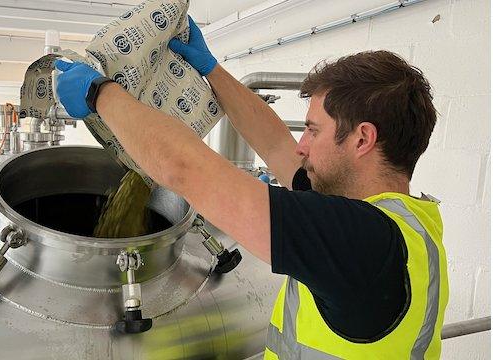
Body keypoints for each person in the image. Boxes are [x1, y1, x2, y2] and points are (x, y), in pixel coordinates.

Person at [55, 16, 448, 360]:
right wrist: (212, 70)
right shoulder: (393, 221)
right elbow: (276, 142)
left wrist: (100, 94)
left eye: (313, 131)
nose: (301, 145)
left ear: (362, 140)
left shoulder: (362, 243)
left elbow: (184, 168)